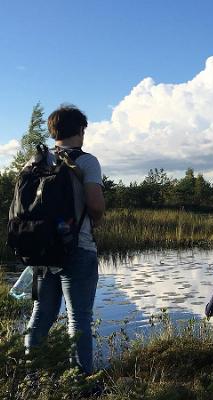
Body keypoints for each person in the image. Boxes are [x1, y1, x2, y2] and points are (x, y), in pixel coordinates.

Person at [24, 104, 105, 374]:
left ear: (52, 131)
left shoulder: (34, 162)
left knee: (41, 315)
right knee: (79, 318)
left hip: (42, 252)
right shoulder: (86, 161)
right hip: (77, 249)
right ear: (81, 130)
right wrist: (98, 218)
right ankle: (81, 381)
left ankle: (31, 376)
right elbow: (95, 205)